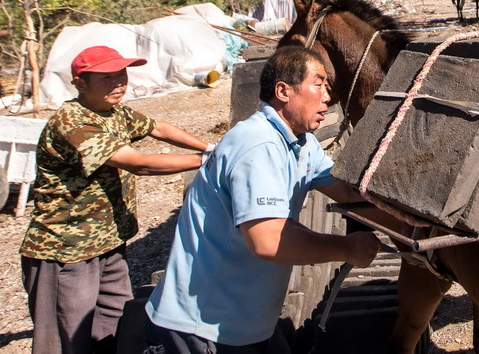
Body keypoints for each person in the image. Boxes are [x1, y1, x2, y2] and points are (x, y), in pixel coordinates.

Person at [144, 46, 383, 352]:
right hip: (202, 328)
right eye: (319, 84)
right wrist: (347, 248)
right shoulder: (258, 145)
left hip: (246, 322)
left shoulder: (301, 142)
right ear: (283, 91)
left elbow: (348, 191)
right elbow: (268, 241)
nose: (327, 96)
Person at [20, 46, 212, 354]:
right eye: (107, 77)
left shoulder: (115, 112)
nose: (118, 83)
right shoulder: (73, 121)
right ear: (80, 83)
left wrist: (210, 146)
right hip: (66, 251)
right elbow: (138, 163)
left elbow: (157, 128)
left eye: (121, 74)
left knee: (114, 326)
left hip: (109, 244)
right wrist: (205, 161)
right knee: (68, 338)